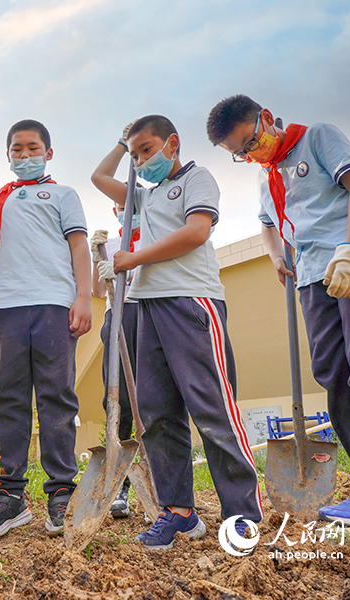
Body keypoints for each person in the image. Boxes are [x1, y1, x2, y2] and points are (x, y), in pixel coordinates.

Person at [206, 95, 350, 526]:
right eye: (239, 154)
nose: (249, 155)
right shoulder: (267, 179)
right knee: (334, 374)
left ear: (266, 118)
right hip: (312, 278)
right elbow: (267, 222)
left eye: (250, 142)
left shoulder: (317, 137)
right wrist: (274, 255)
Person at [91, 115, 262, 550]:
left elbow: (196, 232)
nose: (140, 160)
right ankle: (179, 511)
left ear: (172, 143)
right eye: (134, 155)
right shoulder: (142, 198)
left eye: (147, 150)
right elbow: (99, 177)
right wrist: (121, 141)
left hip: (191, 302)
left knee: (212, 409)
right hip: (147, 308)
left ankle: (242, 515)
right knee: (157, 414)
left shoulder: (196, 179)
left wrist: (134, 258)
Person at [0, 119, 92, 539]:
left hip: (54, 303)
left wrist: (84, 298)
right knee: (10, 400)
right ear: (8, 156)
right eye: (16, 150)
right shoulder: (0, 198)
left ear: (48, 153)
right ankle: (10, 497)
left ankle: (61, 492)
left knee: (56, 397)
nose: (24, 155)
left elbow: (78, 247)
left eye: (32, 148)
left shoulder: (62, 194)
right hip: (4, 306)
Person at [89, 207, 141, 519]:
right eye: (121, 206)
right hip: (117, 315)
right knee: (117, 402)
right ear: (114, 210)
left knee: (152, 403)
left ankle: (163, 487)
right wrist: (98, 259)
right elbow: (98, 292)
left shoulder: (155, 235)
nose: (127, 210)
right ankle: (120, 486)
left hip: (149, 315)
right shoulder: (111, 242)